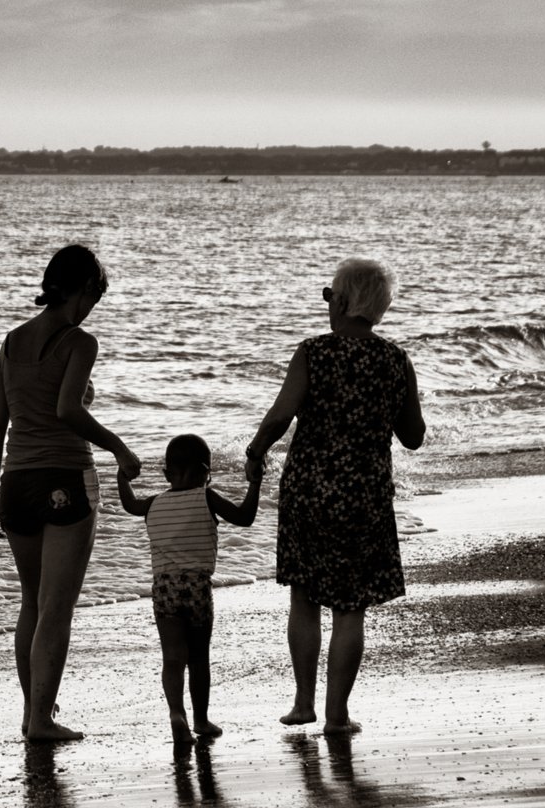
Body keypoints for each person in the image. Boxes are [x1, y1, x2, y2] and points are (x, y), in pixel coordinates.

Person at [245, 258, 425, 735]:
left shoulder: (312, 353)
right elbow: (413, 437)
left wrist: (255, 451)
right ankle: (336, 715)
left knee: (303, 598)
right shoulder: (395, 360)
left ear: (343, 301)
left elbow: (280, 417)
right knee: (350, 608)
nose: (327, 304)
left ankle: (303, 703)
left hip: (308, 490)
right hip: (364, 495)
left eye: (329, 295)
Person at [0, 244, 143, 742]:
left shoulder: (11, 342)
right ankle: (39, 722)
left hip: (16, 484)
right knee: (57, 606)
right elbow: (68, 410)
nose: (96, 304)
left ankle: (35, 713)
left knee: (32, 602)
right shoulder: (79, 342)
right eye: (98, 293)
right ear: (86, 289)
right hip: (64, 479)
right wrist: (120, 449)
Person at [117, 435, 263, 743]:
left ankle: (176, 714)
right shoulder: (206, 497)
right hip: (197, 587)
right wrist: (254, 483)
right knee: (198, 657)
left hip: (164, 589)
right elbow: (245, 517)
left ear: (167, 474)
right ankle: (201, 720)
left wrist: (122, 475)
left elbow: (130, 504)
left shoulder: (153, 503)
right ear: (203, 471)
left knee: (172, 658)